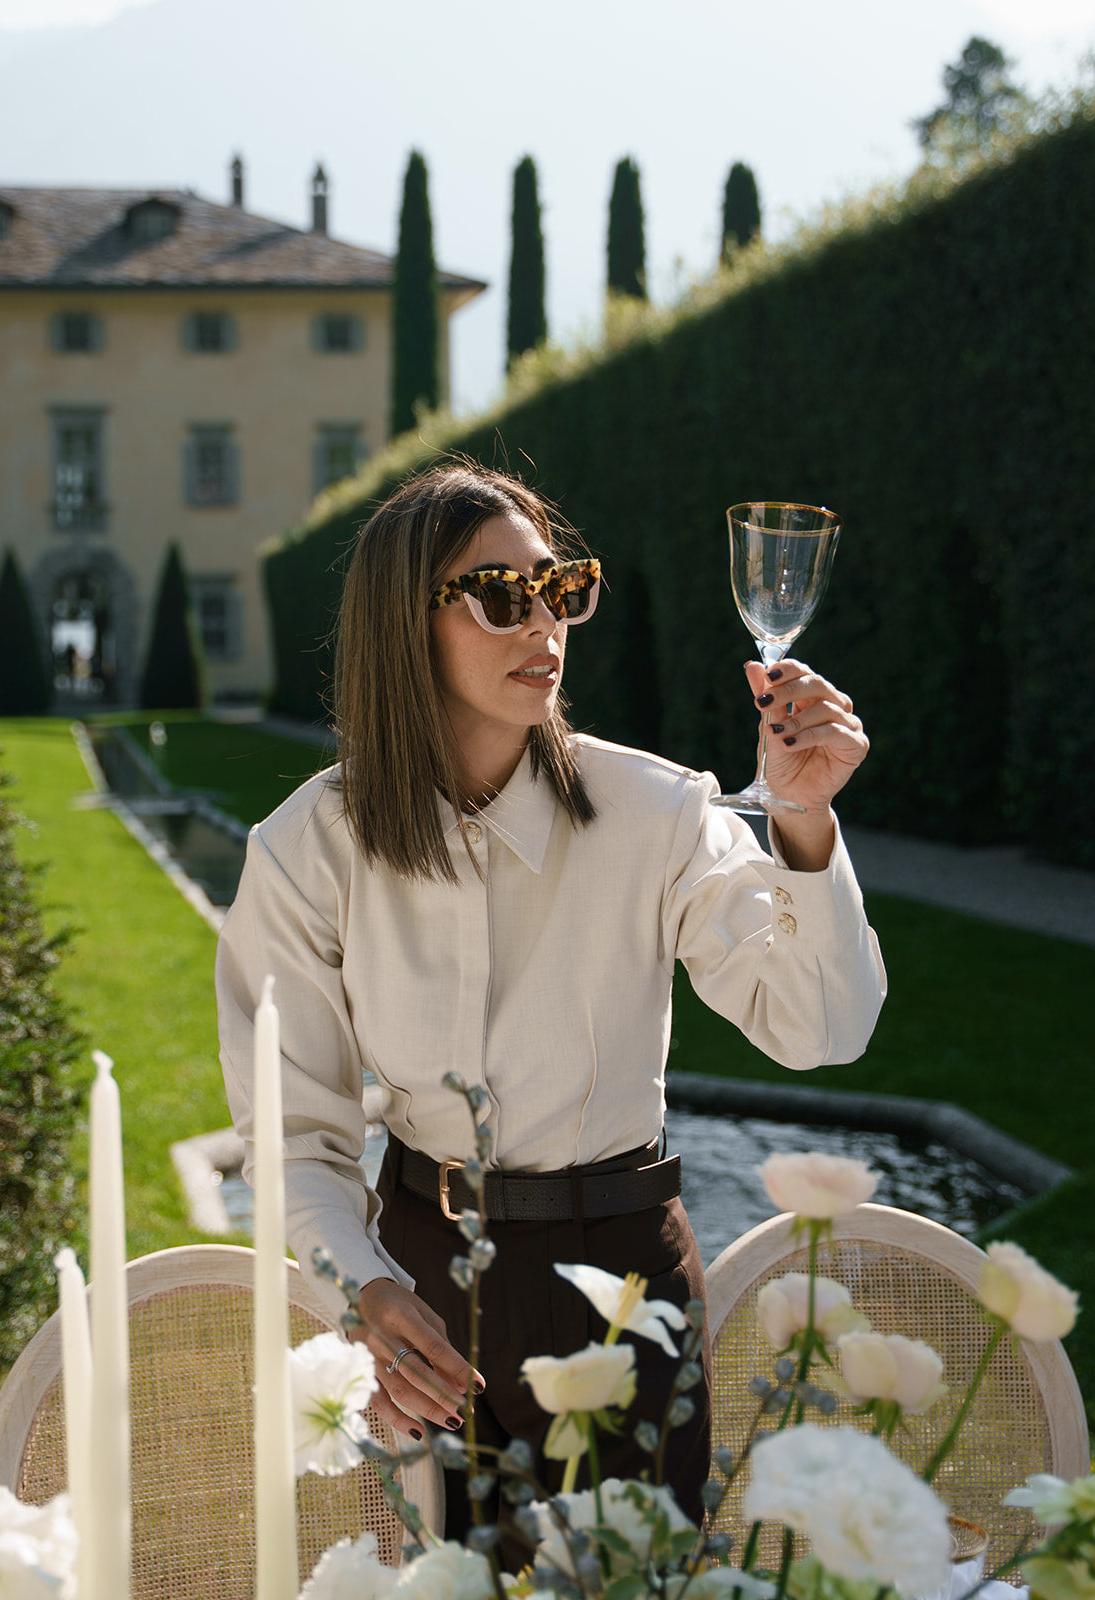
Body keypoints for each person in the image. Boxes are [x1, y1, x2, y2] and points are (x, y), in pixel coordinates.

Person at [216, 462, 886, 1548]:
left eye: (558, 587)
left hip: (623, 1279)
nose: (544, 623)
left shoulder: (659, 810)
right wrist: (365, 1294)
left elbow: (820, 1028)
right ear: (406, 623)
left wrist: (803, 826)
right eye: (498, 594)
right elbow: (295, 1137)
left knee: (628, 1580)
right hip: (421, 1281)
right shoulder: (306, 850)